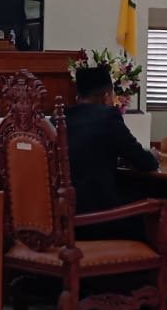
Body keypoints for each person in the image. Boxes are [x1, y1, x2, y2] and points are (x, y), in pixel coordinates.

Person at [64, 65, 158, 214]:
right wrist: (153, 155)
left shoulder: (61, 118)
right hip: (99, 215)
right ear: (107, 96)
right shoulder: (108, 116)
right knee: (162, 196)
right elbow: (145, 162)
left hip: (66, 213)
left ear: (78, 95)